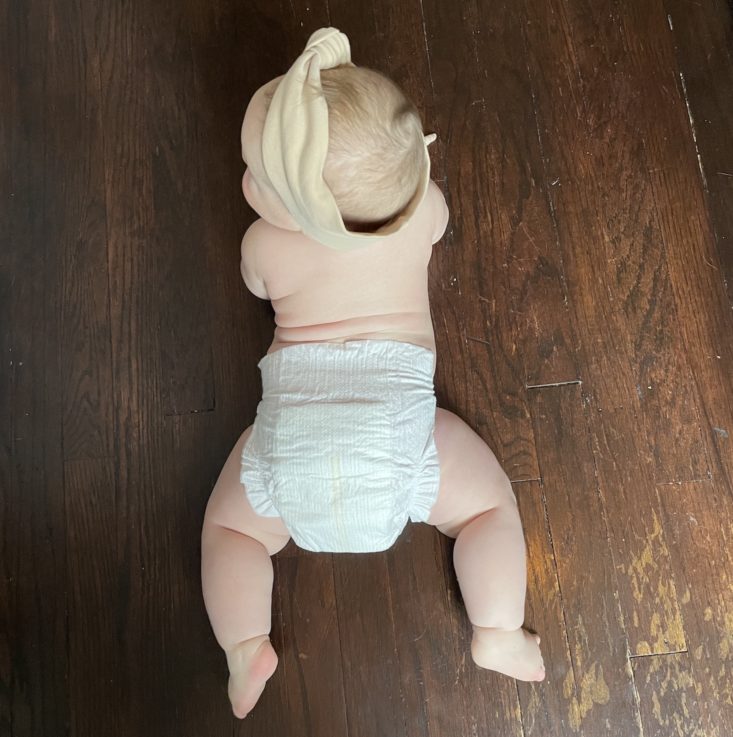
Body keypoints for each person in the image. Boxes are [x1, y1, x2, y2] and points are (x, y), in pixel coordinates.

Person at [201, 27, 545, 720]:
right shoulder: (418, 213)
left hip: (288, 447)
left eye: (256, 178)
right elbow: (437, 217)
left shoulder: (265, 243)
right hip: (399, 443)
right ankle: (498, 628)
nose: (246, 185)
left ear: (302, 216)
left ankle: (244, 644)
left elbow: (255, 281)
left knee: (230, 532)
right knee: (486, 508)